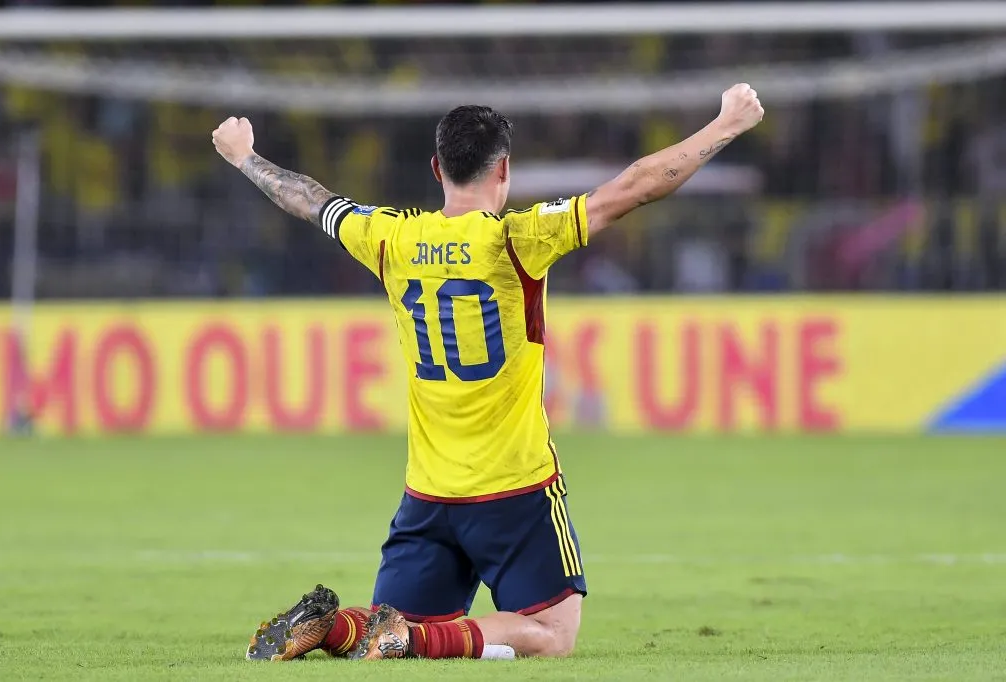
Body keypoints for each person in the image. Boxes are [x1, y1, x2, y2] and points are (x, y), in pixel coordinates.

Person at [212, 83, 764, 662]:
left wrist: (245, 157)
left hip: (428, 493)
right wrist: (725, 125)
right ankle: (408, 639)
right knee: (551, 635)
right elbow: (635, 186)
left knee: (385, 625)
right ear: (505, 168)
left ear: (436, 168)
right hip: (514, 490)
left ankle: (334, 630)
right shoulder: (517, 239)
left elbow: (311, 199)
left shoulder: (392, 236)